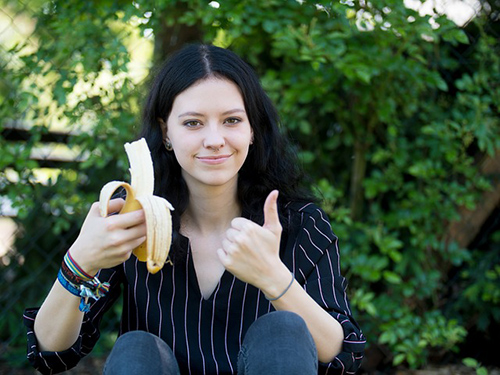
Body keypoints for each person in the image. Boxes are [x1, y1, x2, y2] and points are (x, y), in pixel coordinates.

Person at [24, 44, 365, 374]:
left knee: (284, 333)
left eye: (231, 120)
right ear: (166, 132)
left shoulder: (299, 223)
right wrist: (79, 261)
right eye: (193, 123)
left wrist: (272, 276)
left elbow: (343, 354)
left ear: (252, 131)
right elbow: (52, 354)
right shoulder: (130, 223)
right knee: (136, 348)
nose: (214, 139)